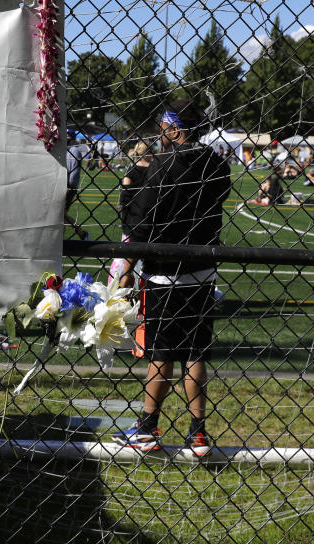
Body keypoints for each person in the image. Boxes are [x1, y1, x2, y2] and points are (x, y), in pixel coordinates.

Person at [112, 99, 232, 456]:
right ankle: (198, 434)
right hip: (202, 271)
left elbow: (140, 224)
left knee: (161, 353)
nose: (159, 134)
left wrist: (127, 268)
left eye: (163, 127)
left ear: (174, 128)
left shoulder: (162, 167)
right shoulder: (215, 163)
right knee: (195, 353)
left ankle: (148, 426)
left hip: (164, 274)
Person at [108, 141, 153, 284]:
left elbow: (124, 195)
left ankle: (118, 284)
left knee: (126, 255)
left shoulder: (132, 170)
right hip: (151, 217)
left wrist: (122, 206)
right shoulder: (155, 170)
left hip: (132, 219)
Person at [65, 131, 90, 240]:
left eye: (67, 135)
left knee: (60, 214)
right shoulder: (65, 148)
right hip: (63, 184)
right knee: (60, 215)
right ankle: (81, 233)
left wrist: (69, 187)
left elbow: (74, 172)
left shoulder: (74, 151)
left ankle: (82, 233)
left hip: (69, 186)